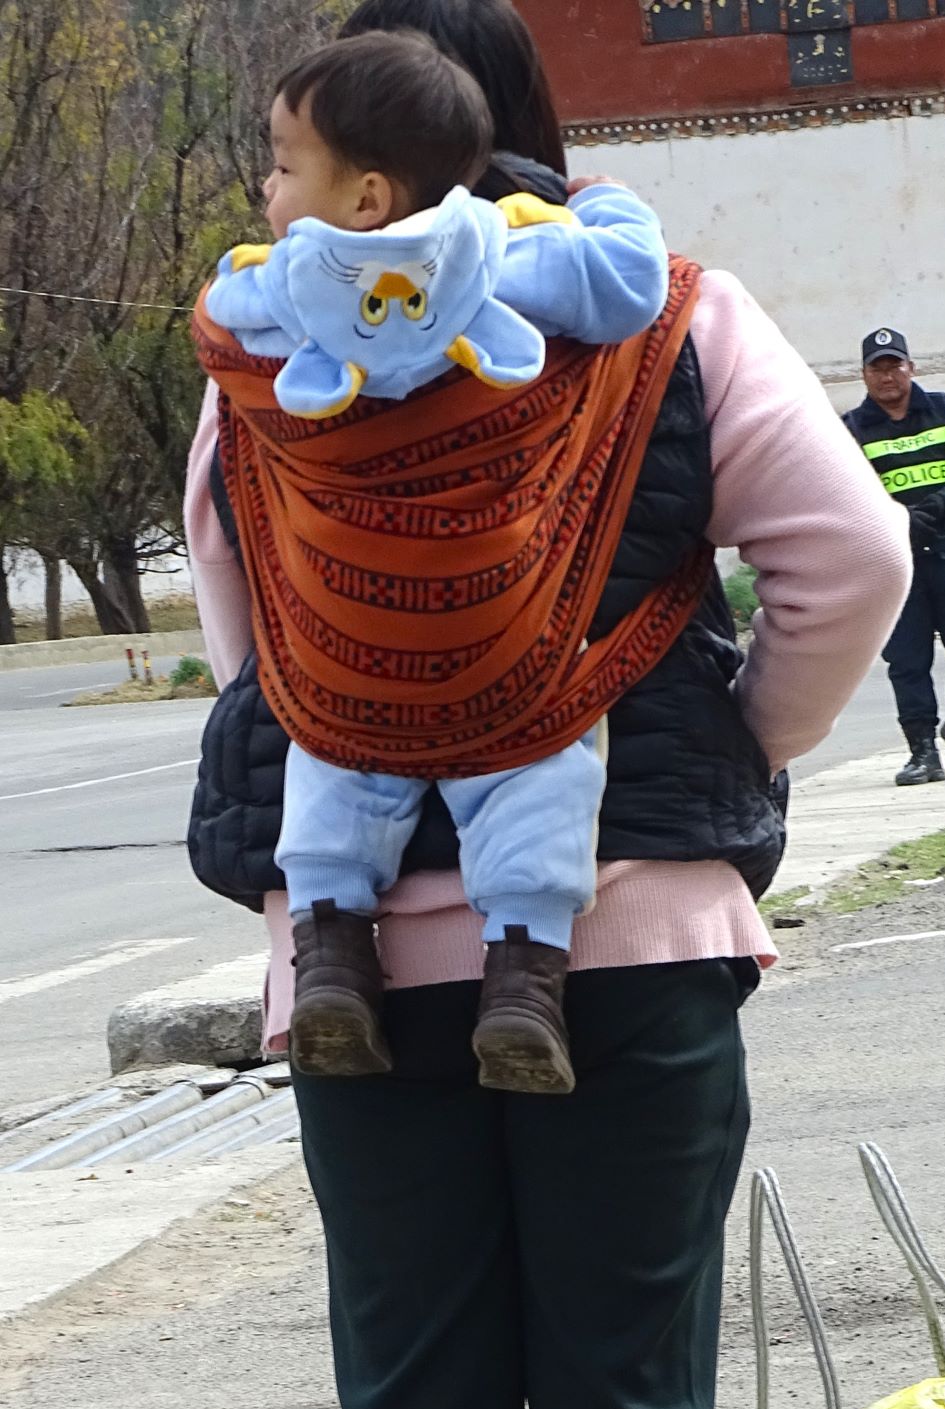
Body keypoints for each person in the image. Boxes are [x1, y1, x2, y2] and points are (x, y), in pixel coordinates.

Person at [186, 0, 911, 1409]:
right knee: (622, 1401)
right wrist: (719, 765)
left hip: (350, 968)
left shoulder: (266, 328)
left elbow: (241, 603)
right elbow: (851, 552)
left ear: (354, 153)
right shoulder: (663, 303)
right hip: (623, 942)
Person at [200, 32, 671, 1093]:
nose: (265, 188)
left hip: (351, 647)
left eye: (281, 166)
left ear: (364, 197)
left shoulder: (278, 297)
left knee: (329, 749)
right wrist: (598, 197)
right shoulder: (510, 256)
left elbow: (216, 324)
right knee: (546, 767)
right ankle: (524, 981)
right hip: (507, 651)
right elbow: (631, 284)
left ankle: (328, 953)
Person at [843, 327, 945, 786]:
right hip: (895, 562)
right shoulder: (852, 429)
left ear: (912, 367)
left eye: (895, 365)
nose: (887, 376)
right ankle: (922, 752)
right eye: (878, 367)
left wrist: (937, 505)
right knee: (907, 662)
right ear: (865, 374)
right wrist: (897, 519)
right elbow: (846, 492)